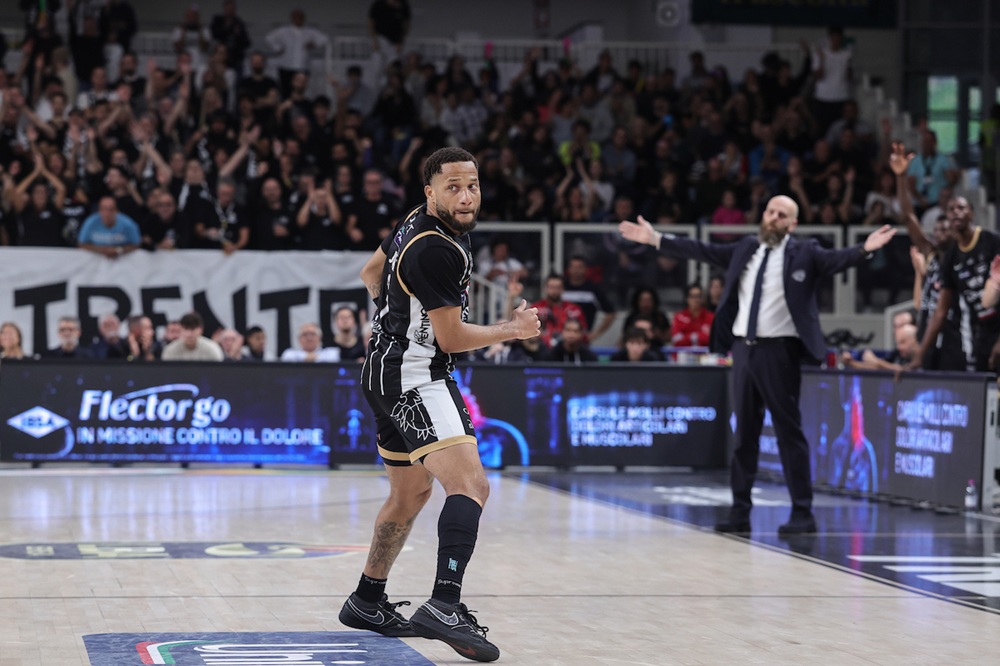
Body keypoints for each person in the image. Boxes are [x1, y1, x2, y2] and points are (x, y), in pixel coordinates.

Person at [338, 147, 539, 662]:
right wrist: (511, 330)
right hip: (415, 376)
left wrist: (398, 319)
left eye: (472, 185)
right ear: (431, 192)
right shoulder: (437, 249)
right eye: (453, 186)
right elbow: (449, 339)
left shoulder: (415, 220)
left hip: (381, 372)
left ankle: (367, 599)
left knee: (409, 495)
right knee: (471, 483)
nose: (466, 195)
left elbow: (370, 274)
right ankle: (444, 603)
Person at [619, 195, 895, 535]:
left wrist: (865, 248)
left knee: (788, 433)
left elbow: (837, 260)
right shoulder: (746, 248)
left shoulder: (805, 252)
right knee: (743, 436)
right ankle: (739, 512)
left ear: (792, 224)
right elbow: (702, 250)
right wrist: (657, 239)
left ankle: (802, 513)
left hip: (779, 352)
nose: (773, 217)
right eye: (770, 211)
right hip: (743, 351)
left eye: (782, 215)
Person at [670, 283, 715, 348]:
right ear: (687, 299)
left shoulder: (711, 317)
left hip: (705, 355)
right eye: (692, 296)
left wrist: (687, 336)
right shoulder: (679, 317)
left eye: (698, 296)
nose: (696, 300)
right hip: (682, 355)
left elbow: (712, 340)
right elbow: (677, 341)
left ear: (702, 299)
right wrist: (697, 336)